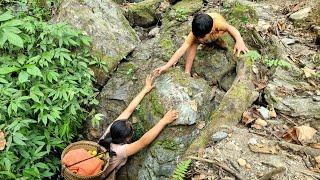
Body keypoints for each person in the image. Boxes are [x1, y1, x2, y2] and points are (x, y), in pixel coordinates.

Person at [98, 75, 179, 179]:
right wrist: (163, 121)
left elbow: (129, 110)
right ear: (126, 138)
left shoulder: (110, 131)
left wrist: (145, 89)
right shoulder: (121, 151)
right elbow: (143, 142)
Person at [154, 12, 249, 76]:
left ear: (211, 30)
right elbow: (182, 49)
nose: (200, 39)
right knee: (193, 43)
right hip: (207, 30)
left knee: (225, 44)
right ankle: (187, 71)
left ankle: (214, 42)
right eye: (198, 36)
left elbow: (230, 28)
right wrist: (166, 66)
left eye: (202, 37)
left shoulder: (217, 25)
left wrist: (239, 41)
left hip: (217, 33)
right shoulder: (196, 33)